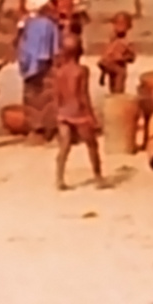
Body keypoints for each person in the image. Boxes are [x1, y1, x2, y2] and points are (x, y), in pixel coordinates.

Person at [52, 33, 103, 190]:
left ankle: (59, 178)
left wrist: (58, 113)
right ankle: (98, 177)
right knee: (91, 144)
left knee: (64, 146)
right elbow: (83, 95)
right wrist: (92, 116)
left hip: (63, 112)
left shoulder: (59, 72)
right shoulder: (82, 71)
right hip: (79, 112)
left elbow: (57, 95)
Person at [16, 0, 62, 142]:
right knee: (48, 98)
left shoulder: (25, 22)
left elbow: (20, 43)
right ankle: (49, 129)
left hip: (28, 67)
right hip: (46, 67)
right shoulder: (48, 25)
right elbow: (53, 49)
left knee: (31, 98)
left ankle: (36, 129)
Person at [97, 10, 137, 93]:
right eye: (117, 24)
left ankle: (119, 101)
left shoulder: (127, 41)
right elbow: (107, 55)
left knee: (118, 91)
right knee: (112, 90)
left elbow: (132, 57)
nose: (119, 27)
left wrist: (122, 58)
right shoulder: (112, 40)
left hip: (119, 69)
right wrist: (102, 74)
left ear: (128, 27)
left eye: (122, 24)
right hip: (110, 69)